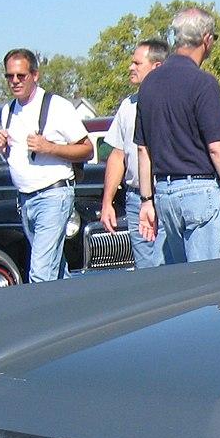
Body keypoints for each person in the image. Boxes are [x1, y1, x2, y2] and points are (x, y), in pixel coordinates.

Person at [134, 7, 220, 262]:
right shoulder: (202, 83)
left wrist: (146, 200)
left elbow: (143, 149)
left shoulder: (149, 84)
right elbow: (218, 147)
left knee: (182, 280)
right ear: (207, 38)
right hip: (199, 191)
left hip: (163, 193)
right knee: (205, 279)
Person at [0, 49, 93, 281]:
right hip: (25, 199)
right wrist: (3, 149)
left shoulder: (57, 106)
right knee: (56, 269)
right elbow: (16, 158)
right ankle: (75, 302)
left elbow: (87, 149)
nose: (15, 81)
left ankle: (39, 307)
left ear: (35, 75)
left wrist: (49, 147)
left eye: (21, 75)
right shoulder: (9, 110)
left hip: (53, 195)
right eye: (9, 76)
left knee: (41, 272)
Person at [98, 38, 169, 268]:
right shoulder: (127, 106)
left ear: (156, 67)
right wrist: (107, 202)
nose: (131, 67)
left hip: (165, 194)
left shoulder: (172, 102)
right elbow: (118, 155)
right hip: (135, 199)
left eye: (137, 63)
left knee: (168, 267)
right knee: (146, 270)